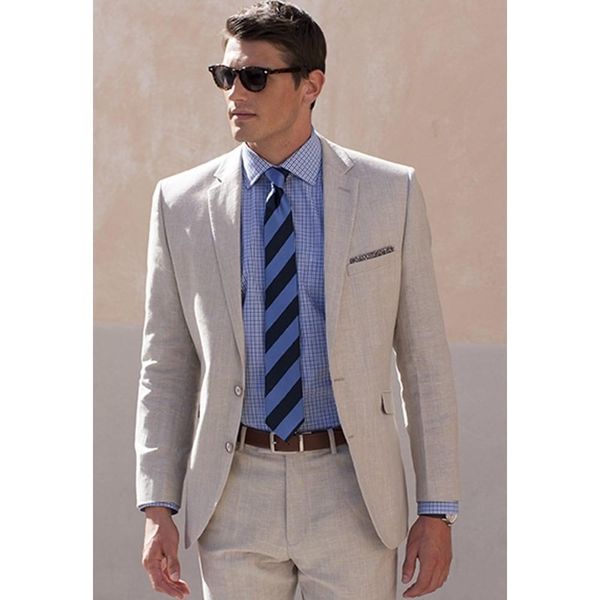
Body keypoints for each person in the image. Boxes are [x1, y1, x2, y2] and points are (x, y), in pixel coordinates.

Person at [135, 2, 460, 598]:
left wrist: (436, 509)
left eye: (255, 76)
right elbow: (167, 364)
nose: (235, 93)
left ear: (312, 85)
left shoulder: (389, 192)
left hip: (353, 489)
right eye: (226, 75)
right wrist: (158, 504)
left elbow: (424, 361)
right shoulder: (180, 203)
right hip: (232, 491)